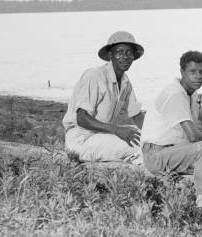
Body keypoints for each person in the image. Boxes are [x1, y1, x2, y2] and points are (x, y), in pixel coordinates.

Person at [140, 51, 202, 226]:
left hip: (176, 151)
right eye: (193, 72)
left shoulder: (192, 94)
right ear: (182, 72)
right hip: (156, 154)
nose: (198, 77)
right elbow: (193, 135)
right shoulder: (175, 94)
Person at [62, 31, 145, 162]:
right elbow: (81, 118)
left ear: (134, 56)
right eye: (120, 52)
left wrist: (153, 135)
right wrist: (116, 130)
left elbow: (136, 115)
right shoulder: (94, 76)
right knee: (140, 147)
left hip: (101, 136)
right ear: (110, 55)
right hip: (81, 139)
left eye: (129, 52)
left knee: (145, 138)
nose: (125, 56)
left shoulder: (125, 81)